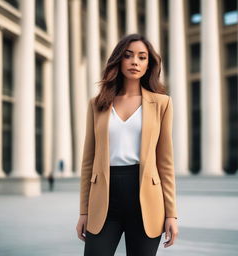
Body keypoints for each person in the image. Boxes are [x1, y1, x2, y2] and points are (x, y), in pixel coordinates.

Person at [76, 33, 179, 256]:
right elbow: (88, 161)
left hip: (145, 200)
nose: (135, 62)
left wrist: (171, 214)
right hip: (104, 198)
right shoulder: (98, 104)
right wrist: (83, 211)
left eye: (142, 57)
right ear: (118, 60)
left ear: (148, 64)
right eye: (128, 55)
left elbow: (165, 162)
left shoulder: (162, 103)